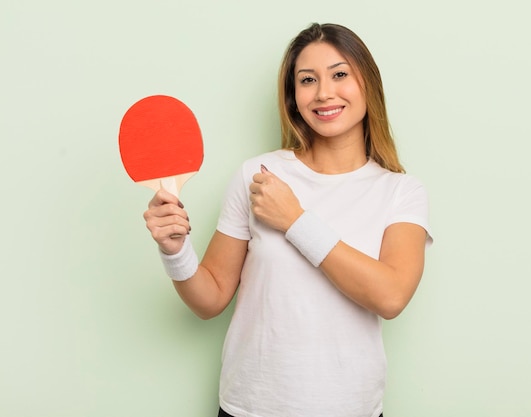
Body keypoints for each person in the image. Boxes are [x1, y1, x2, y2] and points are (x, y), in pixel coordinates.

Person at [143, 22, 433, 417]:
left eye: (340, 74)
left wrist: (295, 220)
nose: (324, 92)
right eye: (307, 80)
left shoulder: (400, 191)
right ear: (293, 97)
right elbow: (209, 301)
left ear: (368, 83)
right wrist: (175, 251)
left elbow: (390, 296)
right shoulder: (257, 176)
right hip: (249, 407)